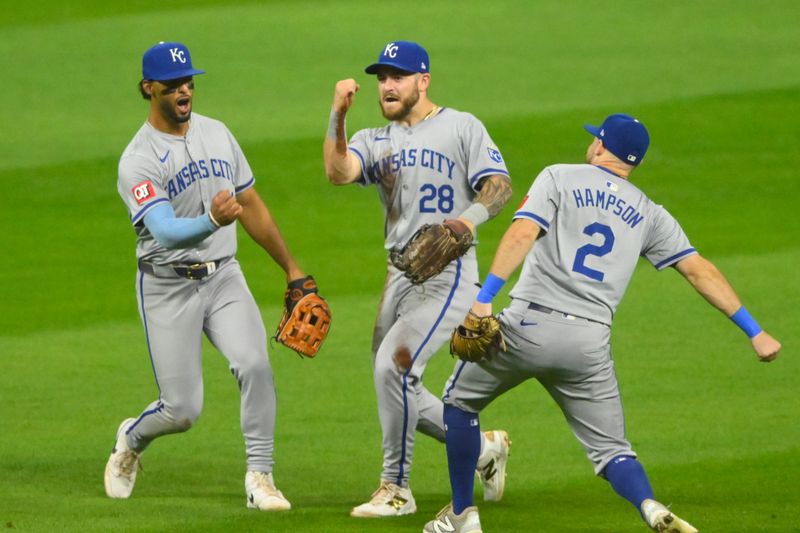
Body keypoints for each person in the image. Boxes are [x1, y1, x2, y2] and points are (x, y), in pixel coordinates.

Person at [425, 113, 782, 533]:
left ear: (600, 146)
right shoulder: (649, 213)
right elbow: (698, 270)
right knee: (613, 450)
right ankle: (649, 506)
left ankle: (462, 515)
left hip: (527, 328)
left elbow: (522, 232)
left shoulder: (559, 177)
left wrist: (483, 300)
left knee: (460, 404)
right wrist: (754, 331)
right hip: (588, 345)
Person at [107, 41, 316, 511]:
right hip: (166, 286)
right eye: (173, 84)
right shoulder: (136, 161)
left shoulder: (218, 134)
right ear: (148, 88)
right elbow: (163, 230)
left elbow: (252, 205)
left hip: (224, 275)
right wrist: (213, 220)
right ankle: (131, 439)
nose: (184, 90)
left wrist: (291, 268)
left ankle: (260, 477)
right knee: (182, 411)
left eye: (189, 82)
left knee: (256, 364)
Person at [323, 41, 514, 517]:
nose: (387, 86)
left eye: (398, 76)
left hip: (449, 274)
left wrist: (465, 222)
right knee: (392, 380)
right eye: (382, 77)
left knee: (394, 367)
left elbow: (500, 186)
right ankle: (483, 447)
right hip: (399, 276)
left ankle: (396, 489)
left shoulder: (461, 126)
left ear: (423, 81)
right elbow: (338, 172)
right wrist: (337, 117)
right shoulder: (374, 138)